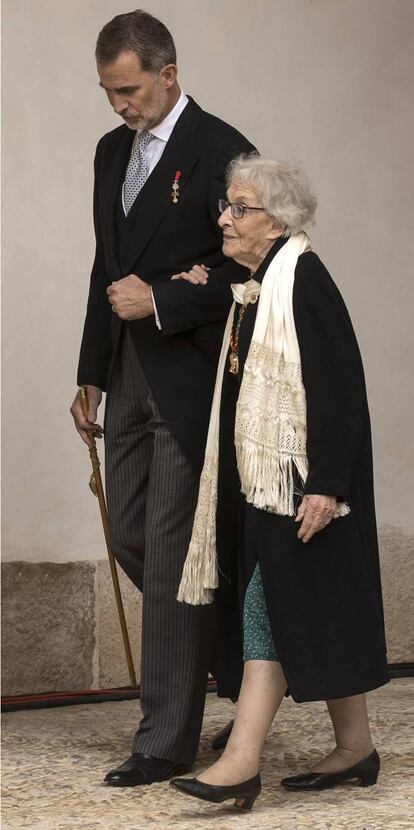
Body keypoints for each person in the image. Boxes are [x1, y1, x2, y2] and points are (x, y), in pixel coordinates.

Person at [70, 9, 255, 786]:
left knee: (177, 551)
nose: (119, 105)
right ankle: (233, 664)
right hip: (127, 370)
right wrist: (91, 370)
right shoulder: (111, 152)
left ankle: (166, 737)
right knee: (133, 535)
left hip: (193, 376)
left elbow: (252, 267)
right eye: (110, 92)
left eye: (129, 89)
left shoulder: (223, 148)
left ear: (168, 74)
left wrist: (165, 303)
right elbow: (104, 264)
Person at [170, 156, 389, 810]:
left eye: (240, 208)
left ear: (278, 221)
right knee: (311, 605)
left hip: (301, 485)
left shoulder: (303, 280)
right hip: (270, 483)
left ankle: (241, 762)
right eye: (226, 205)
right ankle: (356, 749)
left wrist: (326, 484)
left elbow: (339, 388)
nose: (224, 217)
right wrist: (197, 283)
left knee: (271, 604)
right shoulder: (257, 282)